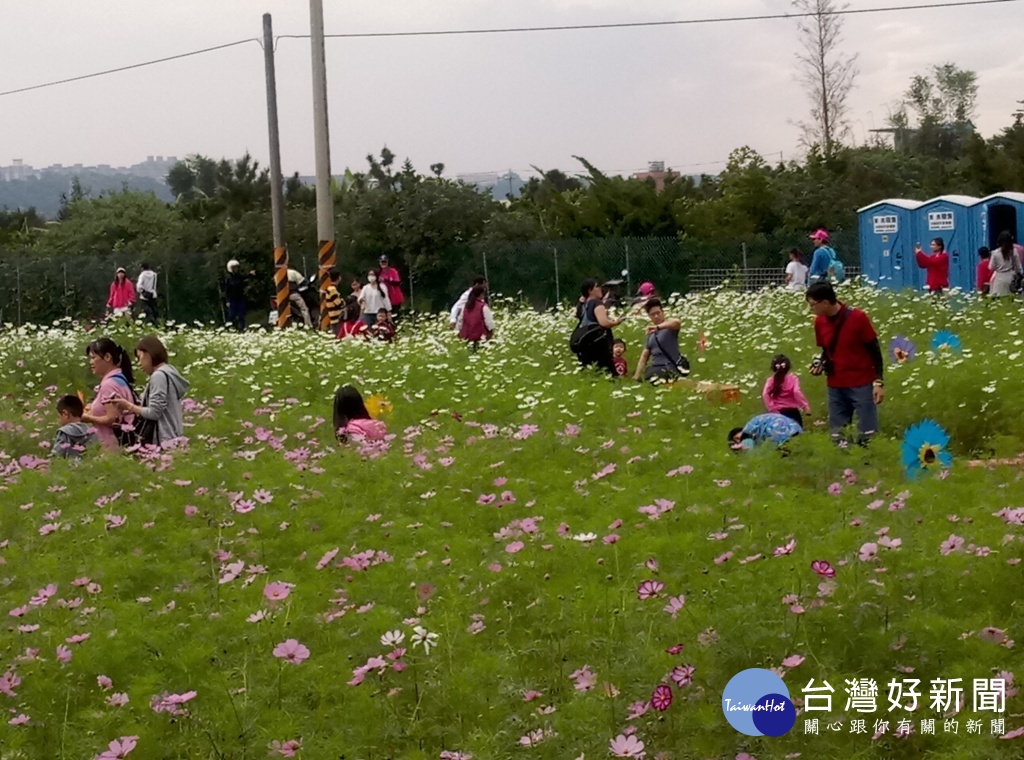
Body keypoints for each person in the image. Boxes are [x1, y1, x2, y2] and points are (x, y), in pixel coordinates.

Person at [806, 282, 884, 445]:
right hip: (835, 383)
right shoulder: (819, 323)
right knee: (838, 433)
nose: (811, 309)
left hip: (860, 382)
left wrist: (878, 382)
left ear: (825, 302)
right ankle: (845, 465)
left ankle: (868, 462)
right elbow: (827, 351)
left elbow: (874, 350)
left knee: (867, 432)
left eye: (813, 304)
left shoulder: (858, 317)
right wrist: (819, 363)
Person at [107, 336, 190, 447]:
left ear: (149, 354)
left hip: (162, 439)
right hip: (173, 435)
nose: (139, 363)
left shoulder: (158, 376)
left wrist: (128, 406)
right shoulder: (169, 371)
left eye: (140, 357)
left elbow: (154, 412)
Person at [80, 337, 136, 451]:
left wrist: (88, 418)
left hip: (112, 445)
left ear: (107, 357)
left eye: (93, 358)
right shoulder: (119, 379)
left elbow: (112, 419)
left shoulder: (109, 385)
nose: (91, 362)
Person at [571, 278, 625, 375]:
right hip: (598, 343)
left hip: (586, 343)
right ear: (590, 290)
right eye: (597, 287)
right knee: (607, 371)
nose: (600, 289)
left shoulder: (583, 305)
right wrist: (616, 322)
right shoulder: (597, 303)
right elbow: (603, 323)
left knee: (589, 371)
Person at [632, 298, 689, 383]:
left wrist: (658, 327)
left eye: (658, 313)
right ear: (649, 317)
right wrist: (637, 375)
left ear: (663, 312)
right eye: (652, 315)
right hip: (656, 366)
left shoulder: (669, 328)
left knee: (656, 377)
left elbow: (677, 322)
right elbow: (644, 356)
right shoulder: (651, 333)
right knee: (646, 378)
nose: (656, 316)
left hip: (669, 366)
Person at [761, 354, 811, 428]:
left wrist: (772, 409)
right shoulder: (793, 378)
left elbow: (765, 394)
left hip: (777, 412)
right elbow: (796, 392)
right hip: (793, 412)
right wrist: (805, 406)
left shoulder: (770, 380)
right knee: (796, 432)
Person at [728, 410, 803, 451]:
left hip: (777, 429)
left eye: (737, 438)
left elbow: (750, 454)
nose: (738, 441)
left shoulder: (746, 433)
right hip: (794, 426)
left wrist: (743, 449)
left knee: (778, 452)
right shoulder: (753, 426)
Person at [52, 395, 97, 459]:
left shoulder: (64, 432)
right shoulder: (91, 431)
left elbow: (57, 455)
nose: (58, 419)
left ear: (65, 414)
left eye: (59, 416)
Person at [456, 283, 495, 349]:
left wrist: (459, 334)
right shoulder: (483, 307)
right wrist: (491, 334)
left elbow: (460, 322)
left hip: (467, 339)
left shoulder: (465, 307)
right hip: (481, 339)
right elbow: (489, 323)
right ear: (481, 294)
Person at [988, 231, 1023, 297]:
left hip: (999, 279)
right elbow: (1018, 268)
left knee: (1000, 300)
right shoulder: (1014, 252)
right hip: (1011, 278)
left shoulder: (995, 253)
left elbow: (991, 267)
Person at [225, 260, 255, 331]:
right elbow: (227, 291)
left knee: (241, 314)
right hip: (232, 299)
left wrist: (250, 274)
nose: (236, 269)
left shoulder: (239, 277)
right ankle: (228, 328)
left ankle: (242, 328)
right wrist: (227, 301)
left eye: (237, 267)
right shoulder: (228, 279)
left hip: (240, 298)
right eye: (234, 267)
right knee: (232, 315)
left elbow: (245, 277)